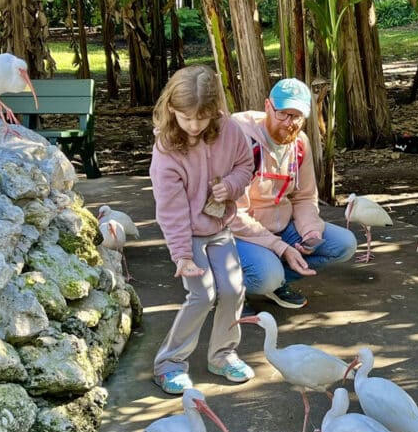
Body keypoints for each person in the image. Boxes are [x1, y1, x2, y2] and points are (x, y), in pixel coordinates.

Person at [149, 65, 255, 395]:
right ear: (172, 110)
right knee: (202, 294)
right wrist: (181, 255)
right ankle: (169, 363)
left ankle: (222, 355)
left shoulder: (231, 130)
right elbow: (171, 209)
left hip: (219, 227)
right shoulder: (166, 150)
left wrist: (232, 186)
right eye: (187, 118)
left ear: (215, 111)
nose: (194, 126)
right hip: (188, 234)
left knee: (234, 289)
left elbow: (246, 165)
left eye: (202, 118)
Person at [230, 78, 357, 309]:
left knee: (344, 244)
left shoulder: (300, 144)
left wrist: (311, 233)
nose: (290, 123)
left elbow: (305, 196)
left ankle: (276, 282)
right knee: (266, 275)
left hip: (281, 226)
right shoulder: (241, 140)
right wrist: (280, 248)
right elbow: (232, 213)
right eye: (283, 114)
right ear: (268, 106)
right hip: (241, 232)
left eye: (297, 116)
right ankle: (230, 289)